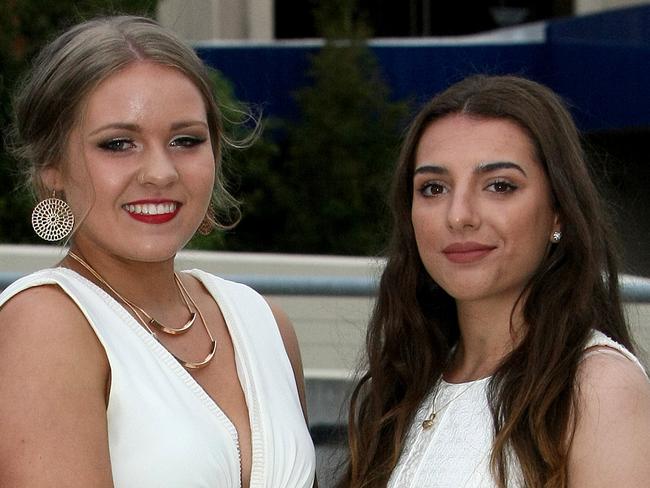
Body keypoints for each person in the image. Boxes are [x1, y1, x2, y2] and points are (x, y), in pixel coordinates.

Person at [0, 15, 315, 487]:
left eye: (185, 140)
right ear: (52, 168)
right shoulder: (45, 324)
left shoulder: (264, 323)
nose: (159, 172)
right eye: (118, 144)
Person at [338, 75, 650, 487]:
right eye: (434, 188)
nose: (459, 215)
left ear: (559, 212)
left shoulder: (596, 386)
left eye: (499, 186)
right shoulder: (404, 385)